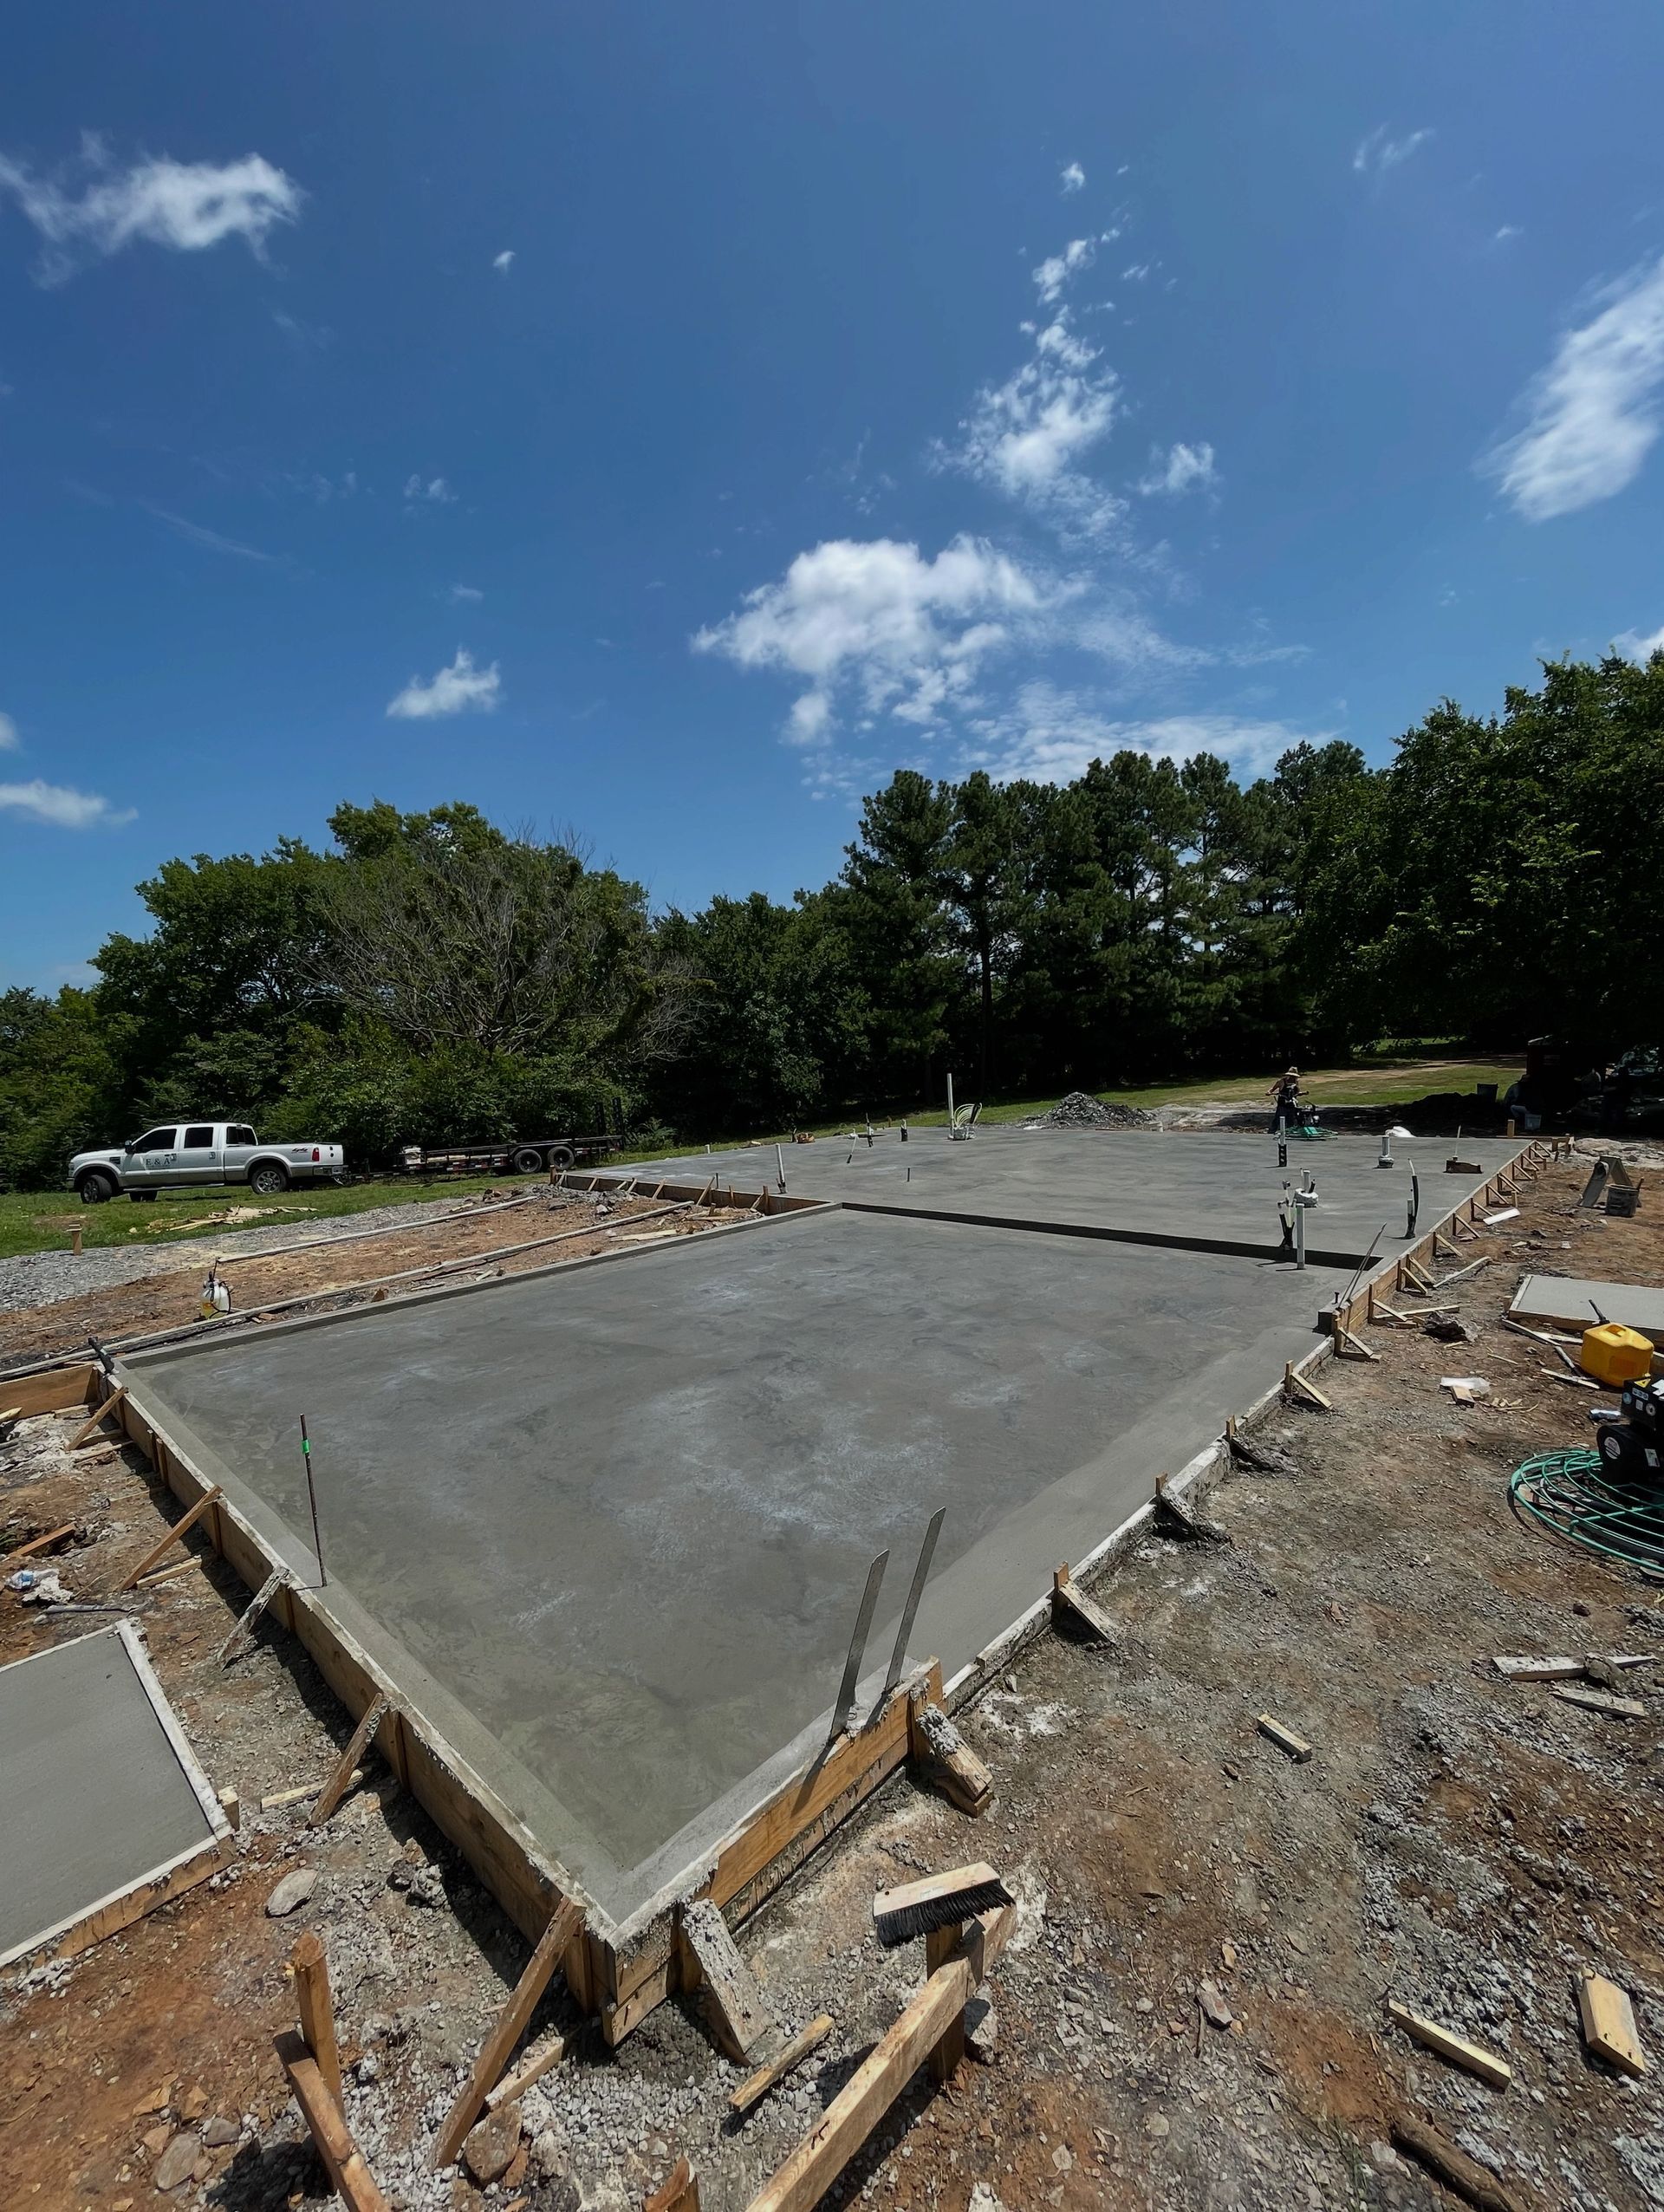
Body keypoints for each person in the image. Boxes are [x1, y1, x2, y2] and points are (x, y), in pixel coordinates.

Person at [1268, 1065, 1300, 1129]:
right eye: (1291, 1076)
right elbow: (1272, 1089)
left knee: (1291, 1119)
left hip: (1292, 1104)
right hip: (1282, 1103)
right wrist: (1269, 1092)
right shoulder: (1282, 1081)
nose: (1292, 1078)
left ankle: (1289, 1131)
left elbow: (1296, 1093)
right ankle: (1272, 1131)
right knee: (1279, 1118)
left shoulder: (1296, 1082)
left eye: (1294, 1077)